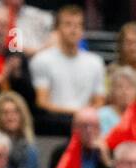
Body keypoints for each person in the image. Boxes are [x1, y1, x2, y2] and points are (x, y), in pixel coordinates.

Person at [28, 4, 105, 134]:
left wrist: (82, 115)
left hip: (86, 125)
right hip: (54, 123)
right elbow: (42, 102)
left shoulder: (95, 62)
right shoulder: (41, 60)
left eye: (78, 25)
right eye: (68, 24)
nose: (73, 30)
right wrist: (77, 112)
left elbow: (100, 102)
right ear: (57, 29)